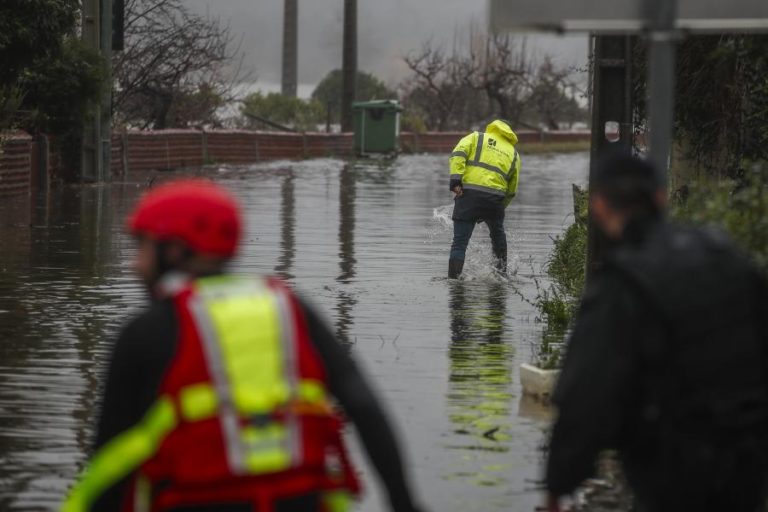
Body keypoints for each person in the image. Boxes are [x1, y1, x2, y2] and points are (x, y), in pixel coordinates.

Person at [62, 180, 424, 512]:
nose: (134, 265)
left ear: (174, 251)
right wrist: (404, 503)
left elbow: (110, 463)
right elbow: (365, 409)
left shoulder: (146, 332)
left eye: (141, 246)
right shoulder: (293, 310)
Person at [545, 153, 768, 512]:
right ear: (660, 198)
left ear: (599, 206)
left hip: (673, 472)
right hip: (747, 464)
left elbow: (585, 394)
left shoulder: (622, 282)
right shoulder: (727, 255)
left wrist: (559, 484)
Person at [447, 119, 521, 278]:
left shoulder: (476, 137)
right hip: (495, 200)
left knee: (459, 243)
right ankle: (501, 276)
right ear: (509, 132)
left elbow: (458, 154)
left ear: (493, 127)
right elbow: (512, 189)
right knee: (498, 240)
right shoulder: (514, 153)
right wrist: (501, 206)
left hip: (468, 196)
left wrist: (455, 180)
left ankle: (453, 282)